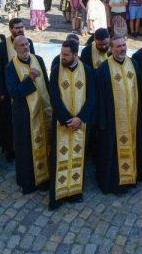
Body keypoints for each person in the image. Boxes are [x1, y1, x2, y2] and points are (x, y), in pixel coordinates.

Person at [47, 37, 95, 210]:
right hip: (62, 123)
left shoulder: (87, 71)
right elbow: (54, 97)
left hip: (81, 123)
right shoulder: (56, 70)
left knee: (78, 157)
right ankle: (58, 195)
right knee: (59, 157)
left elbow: (92, 97)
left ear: (75, 54)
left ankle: (75, 192)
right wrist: (67, 119)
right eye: (62, 54)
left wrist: (80, 118)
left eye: (66, 55)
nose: (63, 57)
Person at [94, 35, 142, 194]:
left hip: (132, 117)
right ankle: (115, 183)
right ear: (111, 49)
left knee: (133, 146)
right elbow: (99, 98)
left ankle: (132, 176)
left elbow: (140, 91)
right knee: (112, 152)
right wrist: (101, 121)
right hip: (112, 121)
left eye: (124, 45)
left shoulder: (134, 64)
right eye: (118, 46)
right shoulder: (103, 69)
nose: (122, 48)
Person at [4, 35, 52, 194]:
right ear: (15, 48)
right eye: (21, 45)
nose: (25, 48)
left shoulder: (38, 59)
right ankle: (29, 181)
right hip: (25, 116)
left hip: (43, 111)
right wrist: (30, 79)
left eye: (27, 44)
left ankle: (45, 178)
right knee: (26, 149)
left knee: (46, 144)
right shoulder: (10, 67)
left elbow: (46, 82)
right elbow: (14, 93)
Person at [0, 18, 34, 162]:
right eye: (17, 28)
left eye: (22, 27)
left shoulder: (29, 42)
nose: (20, 30)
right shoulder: (2, 46)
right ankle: (9, 149)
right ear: (10, 29)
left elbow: (33, 61)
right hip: (8, 90)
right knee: (8, 122)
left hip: (27, 90)